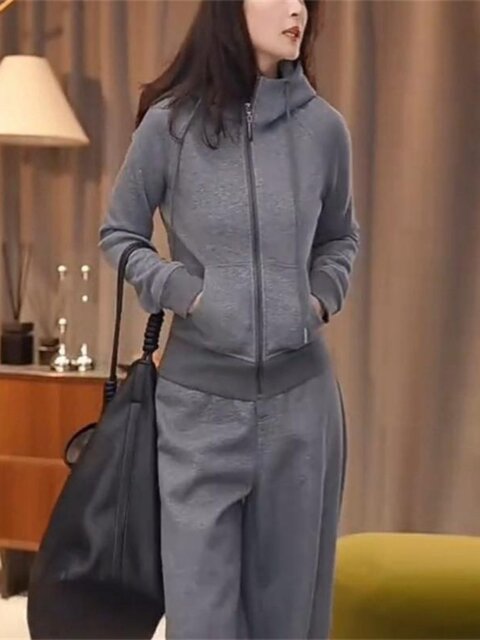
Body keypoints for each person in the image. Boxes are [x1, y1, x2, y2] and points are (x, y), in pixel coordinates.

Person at [99, 0, 360, 637]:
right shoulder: (170, 125)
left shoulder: (325, 129)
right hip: (197, 411)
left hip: (301, 413)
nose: (297, 9)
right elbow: (120, 233)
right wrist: (185, 292)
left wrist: (317, 301)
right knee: (201, 622)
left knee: (288, 623)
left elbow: (340, 238)